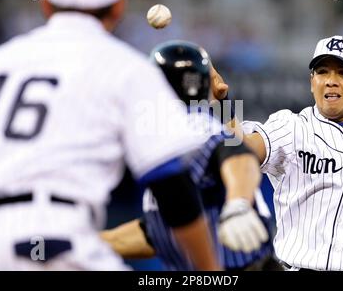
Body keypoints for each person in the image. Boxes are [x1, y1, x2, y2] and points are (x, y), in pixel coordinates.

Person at [0, 0, 220, 270]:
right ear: (118, 7)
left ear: (45, 2)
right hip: (49, 237)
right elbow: (172, 186)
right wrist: (211, 272)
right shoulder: (125, 67)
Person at [210, 35, 343, 271]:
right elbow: (241, 149)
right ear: (311, 81)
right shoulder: (292, 127)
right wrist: (222, 104)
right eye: (323, 72)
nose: (331, 81)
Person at [101, 40, 283, 271]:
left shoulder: (192, 124)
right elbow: (161, 229)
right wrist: (96, 242)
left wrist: (238, 202)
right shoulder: (161, 132)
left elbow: (237, 156)